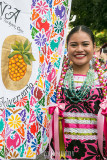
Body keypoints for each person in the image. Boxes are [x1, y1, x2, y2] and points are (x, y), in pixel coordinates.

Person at [48, 25, 107, 160]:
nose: (79, 49)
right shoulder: (55, 80)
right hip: (63, 151)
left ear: (94, 46)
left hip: (97, 152)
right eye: (74, 45)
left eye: (85, 44)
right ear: (67, 47)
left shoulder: (103, 79)